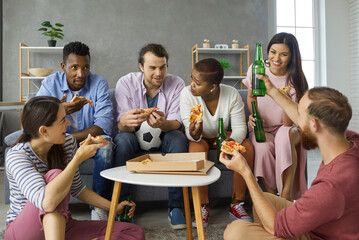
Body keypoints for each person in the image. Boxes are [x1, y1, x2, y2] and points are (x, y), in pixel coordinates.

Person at [221, 80, 359, 239]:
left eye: (299, 116)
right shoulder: (350, 140)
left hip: (320, 236)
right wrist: (272, 90)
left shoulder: (331, 186)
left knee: (236, 231)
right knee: (265, 200)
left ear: (314, 125)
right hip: (324, 223)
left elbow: (275, 227)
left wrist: (245, 172)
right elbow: (306, 118)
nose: (296, 120)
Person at [5, 96, 145, 240]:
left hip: (60, 226)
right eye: (62, 120)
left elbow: (77, 189)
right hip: (24, 232)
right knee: (55, 175)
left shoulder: (67, 143)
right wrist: (77, 160)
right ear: (44, 131)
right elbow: (47, 203)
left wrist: (114, 207)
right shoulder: (17, 156)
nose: (68, 123)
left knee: (132, 231)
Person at [36, 41, 115, 220]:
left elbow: (104, 125)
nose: (81, 74)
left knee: (107, 146)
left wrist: (70, 138)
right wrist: (59, 109)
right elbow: (34, 118)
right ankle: (52, 206)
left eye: (85, 67)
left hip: (85, 138)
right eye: (74, 67)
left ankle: (99, 208)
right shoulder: (50, 83)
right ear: (63, 66)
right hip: (58, 140)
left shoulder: (99, 83)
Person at [114, 43, 188, 230]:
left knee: (178, 138)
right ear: (141, 67)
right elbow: (121, 127)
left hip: (165, 136)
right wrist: (125, 121)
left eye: (162, 67)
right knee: (122, 141)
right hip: (133, 137)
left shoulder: (177, 83)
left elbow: (177, 123)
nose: (159, 73)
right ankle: (124, 206)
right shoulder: (125, 83)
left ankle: (176, 207)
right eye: (152, 68)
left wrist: (164, 123)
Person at [180, 58, 254, 228]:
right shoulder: (186, 94)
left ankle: (237, 204)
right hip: (200, 138)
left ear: (212, 87)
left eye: (197, 83)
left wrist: (231, 141)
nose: (191, 84)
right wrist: (193, 133)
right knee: (196, 152)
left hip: (222, 135)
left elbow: (239, 128)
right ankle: (202, 206)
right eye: (191, 78)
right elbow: (188, 130)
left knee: (247, 148)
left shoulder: (231, 94)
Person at [243, 32, 309, 200]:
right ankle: (272, 197)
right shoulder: (257, 69)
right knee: (262, 147)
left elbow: (289, 122)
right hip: (262, 127)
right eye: (273, 52)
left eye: (284, 54)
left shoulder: (296, 79)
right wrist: (253, 115)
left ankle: (286, 196)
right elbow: (251, 97)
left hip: (288, 127)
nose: (276, 58)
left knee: (283, 138)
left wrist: (284, 98)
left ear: (292, 56)